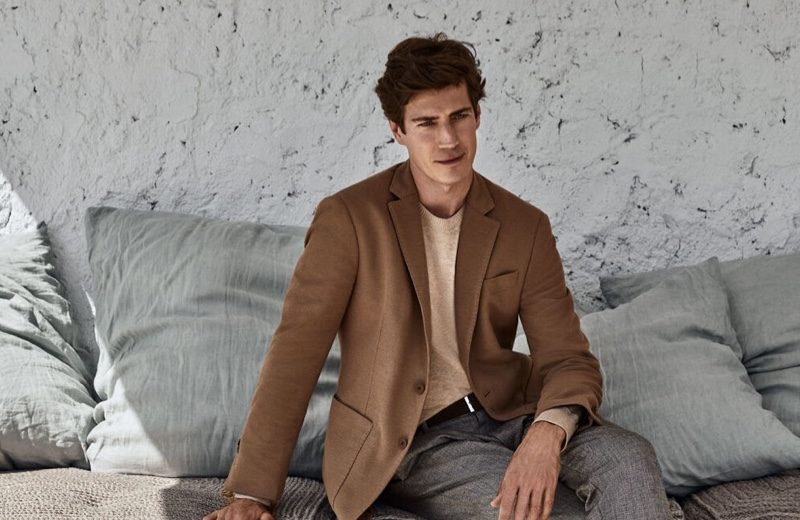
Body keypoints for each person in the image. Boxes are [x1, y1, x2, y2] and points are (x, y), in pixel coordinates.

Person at [203, 33, 672, 520]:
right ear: (397, 130)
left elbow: (568, 359)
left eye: (459, 117)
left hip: (513, 414)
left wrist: (546, 434)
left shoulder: (524, 225)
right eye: (427, 123)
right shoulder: (350, 219)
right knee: (547, 514)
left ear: (478, 116)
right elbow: (295, 354)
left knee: (630, 460)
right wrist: (253, 494)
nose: (448, 140)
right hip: (414, 440)